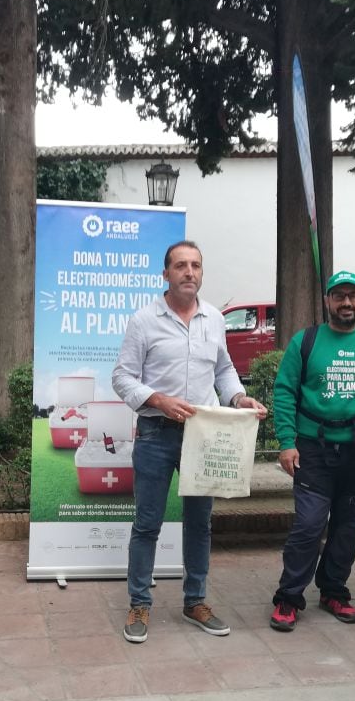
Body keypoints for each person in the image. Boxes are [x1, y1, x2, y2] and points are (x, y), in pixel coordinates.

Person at [112, 240, 267, 644]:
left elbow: (225, 369)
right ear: (165, 274)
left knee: (199, 525)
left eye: (195, 265)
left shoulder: (214, 319)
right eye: (180, 265)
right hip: (155, 434)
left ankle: (195, 600)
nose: (189, 272)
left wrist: (238, 397)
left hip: (203, 435)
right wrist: (158, 400)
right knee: (147, 524)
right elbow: (122, 377)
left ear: (201, 272)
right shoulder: (144, 320)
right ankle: (139, 602)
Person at [268, 271, 355, 632]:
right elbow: (284, 392)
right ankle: (289, 597)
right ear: (327, 300)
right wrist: (287, 442)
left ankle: (333, 590)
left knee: (346, 527)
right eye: (338, 296)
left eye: (352, 296)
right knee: (309, 525)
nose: (345, 303)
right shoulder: (305, 342)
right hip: (314, 449)